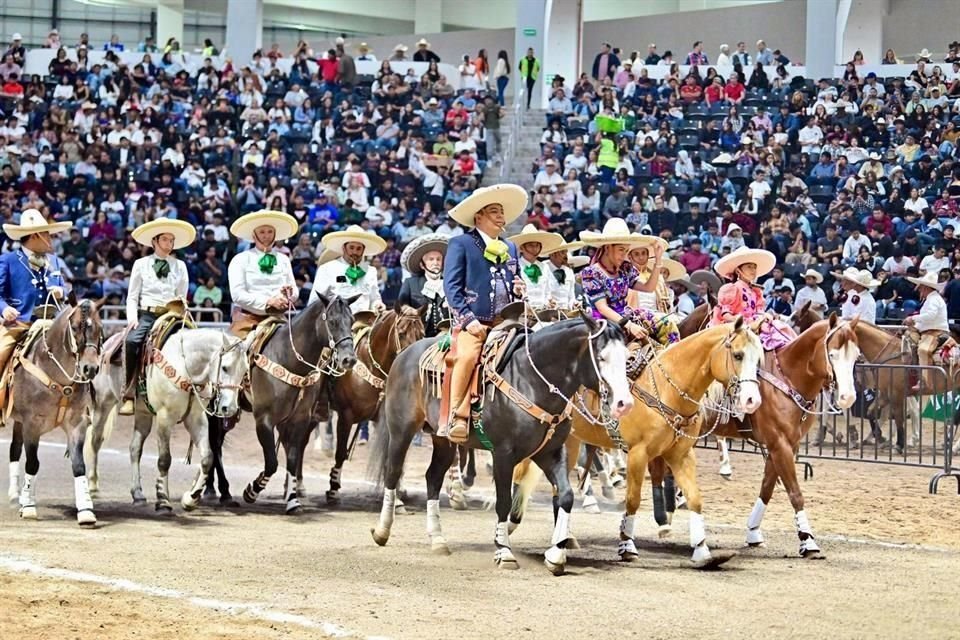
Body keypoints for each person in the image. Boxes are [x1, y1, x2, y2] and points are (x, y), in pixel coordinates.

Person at [442, 184, 529, 443]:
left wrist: (519, 287)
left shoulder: (510, 248)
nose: (501, 217)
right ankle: (457, 414)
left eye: (502, 212)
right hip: (474, 322)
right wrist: (468, 321)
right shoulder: (462, 243)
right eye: (494, 211)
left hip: (507, 321)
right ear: (478, 216)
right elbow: (452, 287)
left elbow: (516, 278)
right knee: (468, 356)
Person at [121, 218, 195, 415]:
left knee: (194, 344)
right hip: (147, 315)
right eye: (164, 239)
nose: (169, 244)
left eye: (171, 240)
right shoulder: (140, 264)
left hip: (172, 316)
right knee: (132, 341)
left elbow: (182, 295)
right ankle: (129, 393)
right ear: (154, 241)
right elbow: (132, 296)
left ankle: (196, 390)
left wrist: (182, 310)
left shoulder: (180, 266)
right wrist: (132, 319)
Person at [0, 209, 71, 413]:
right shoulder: (9, 260)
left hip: (53, 324)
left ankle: (83, 404)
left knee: (83, 350)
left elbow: (64, 289)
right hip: (21, 323)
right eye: (47, 234)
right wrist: (5, 309)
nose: (50, 239)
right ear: (34, 236)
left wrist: (61, 291)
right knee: (0, 353)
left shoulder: (54, 261)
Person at [579, 218, 674, 346]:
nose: (624, 255)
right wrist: (629, 325)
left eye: (626, 250)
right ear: (607, 248)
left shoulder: (625, 268)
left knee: (667, 323)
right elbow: (602, 308)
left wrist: (658, 261)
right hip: (605, 321)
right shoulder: (591, 273)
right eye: (621, 250)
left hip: (627, 314)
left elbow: (649, 288)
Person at [227, 209, 300, 338]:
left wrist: (289, 295)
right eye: (262, 232)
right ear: (254, 235)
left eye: (270, 232)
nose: (266, 236)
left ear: (275, 235)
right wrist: (268, 302)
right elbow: (237, 295)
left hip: (279, 319)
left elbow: (294, 289)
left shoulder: (284, 259)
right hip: (248, 319)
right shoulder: (240, 259)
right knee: (234, 354)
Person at [711, 246, 796, 350]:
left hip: (756, 324)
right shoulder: (731, 289)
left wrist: (765, 316)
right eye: (749, 267)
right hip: (737, 327)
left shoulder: (756, 291)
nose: (753, 270)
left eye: (754, 267)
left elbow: (759, 311)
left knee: (781, 328)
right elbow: (726, 315)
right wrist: (740, 320)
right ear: (738, 271)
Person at [310, 224, 387, 316]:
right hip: (335, 323)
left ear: (363, 251)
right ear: (344, 248)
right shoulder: (327, 269)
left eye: (359, 249)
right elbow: (314, 301)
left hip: (364, 323)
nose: (355, 252)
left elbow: (375, 299)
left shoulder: (370, 271)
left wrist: (378, 305)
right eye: (351, 247)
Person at [625, 242, 683, 345]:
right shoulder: (626, 276)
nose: (641, 257)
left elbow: (666, 305)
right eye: (637, 254)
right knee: (667, 322)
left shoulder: (657, 278)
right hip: (636, 315)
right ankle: (673, 351)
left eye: (643, 253)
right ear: (630, 256)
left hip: (658, 313)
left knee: (683, 321)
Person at [904, 271, 949, 392]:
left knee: (923, 350)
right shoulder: (930, 298)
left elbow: (930, 316)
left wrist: (913, 318)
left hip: (936, 332)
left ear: (925, 287)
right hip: (928, 330)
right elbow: (926, 318)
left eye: (920, 287)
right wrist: (915, 324)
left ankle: (925, 382)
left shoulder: (934, 299)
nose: (918, 289)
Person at [397, 233, 450, 338]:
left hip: (447, 337)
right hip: (418, 337)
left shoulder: (450, 284)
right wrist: (407, 309)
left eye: (438, 259)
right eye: (431, 259)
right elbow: (401, 305)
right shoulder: (410, 283)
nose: (436, 263)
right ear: (422, 264)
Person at [508, 224, 564, 310]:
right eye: (530, 245)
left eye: (537, 245)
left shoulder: (544, 267)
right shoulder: (514, 266)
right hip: (523, 312)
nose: (534, 248)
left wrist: (550, 302)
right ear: (522, 248)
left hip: (543, 312)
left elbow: (548, 291)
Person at [540, 242, 584, 311]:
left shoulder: (569, 271)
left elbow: (571, 296)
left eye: (566, 252)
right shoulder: (542, 269)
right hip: (547, 313)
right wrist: (547, 302)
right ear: (553, 254)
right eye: (563, 252)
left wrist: (574, 304)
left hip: (566, 314)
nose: (566, 256)